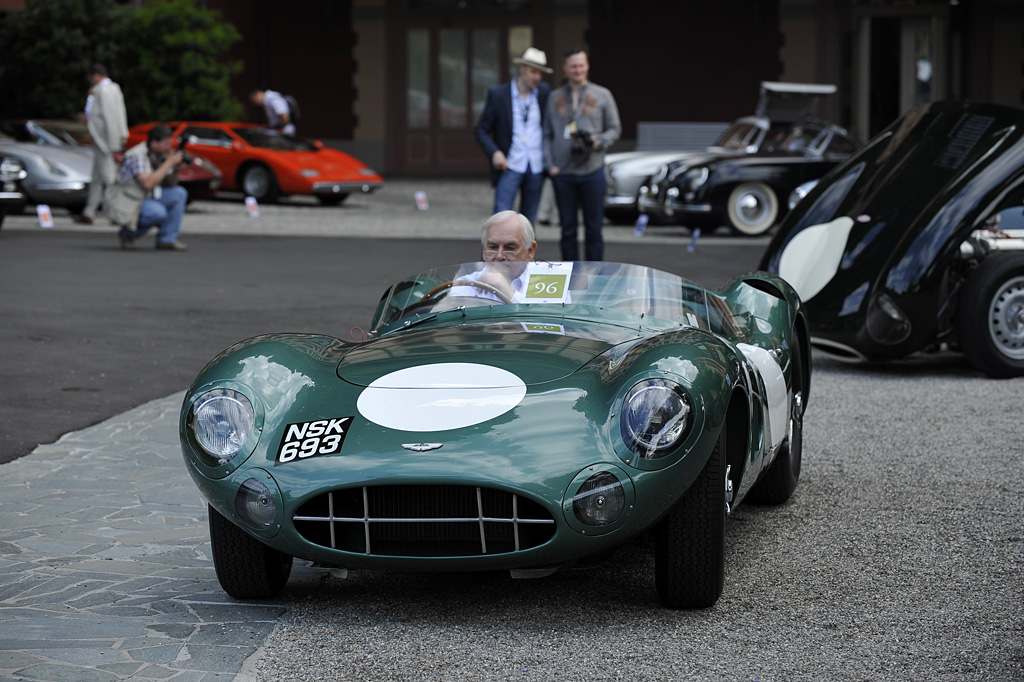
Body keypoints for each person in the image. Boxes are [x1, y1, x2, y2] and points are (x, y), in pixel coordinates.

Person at [543, 48, 621, 261]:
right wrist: (550, 165)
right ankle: (568, 276)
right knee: (567, 230)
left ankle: (595, 275)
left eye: (581, 65)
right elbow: (547, 133)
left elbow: (615, 128)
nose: (578, 70)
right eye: (573, 66)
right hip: (564, 172)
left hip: (593, 169)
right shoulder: (554, 97)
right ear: (565, 68)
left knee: (594, 229)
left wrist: (597, 141)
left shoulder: (602, 95)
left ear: (587, 66)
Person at [474, 47, 552, 226]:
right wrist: (495, 152)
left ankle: (525, 256)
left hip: (536, 165)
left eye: (540, 73)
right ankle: (494, 255)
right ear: (522, 69)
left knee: (528, 224)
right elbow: (481, 129)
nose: (537, 77)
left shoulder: (544, 92)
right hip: (510, 164)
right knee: (500, 220)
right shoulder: (499, 94)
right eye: (533, 71)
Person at [104, 125, 188, 251]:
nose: (169, 147)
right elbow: (147, 183)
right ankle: (128, 233)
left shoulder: (159, 155)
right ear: (154, 143)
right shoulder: (137, 156)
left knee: (179, 193)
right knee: (157, 212)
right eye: (165, 144)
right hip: (129, 200)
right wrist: (168, 163)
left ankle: (166, 240)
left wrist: (176, 170)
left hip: (148, 196)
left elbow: (171, 184)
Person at [76, 64, 128, 225]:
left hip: (103, 140)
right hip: (106, 139)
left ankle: (115, 213)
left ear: (95, 76)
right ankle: (89, 211)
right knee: (97, 177)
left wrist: (111, 142)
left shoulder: (102, 91)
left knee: (108, 177)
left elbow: (107, 117)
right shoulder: (113, 88)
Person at [451, 211, 537, 302]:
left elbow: (540, 315)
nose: (499, 256)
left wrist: (509, 293)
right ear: (484, 250)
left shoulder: (544, 285)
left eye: (510, 248)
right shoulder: (467, 285)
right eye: (492, 247)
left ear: (530, 251)